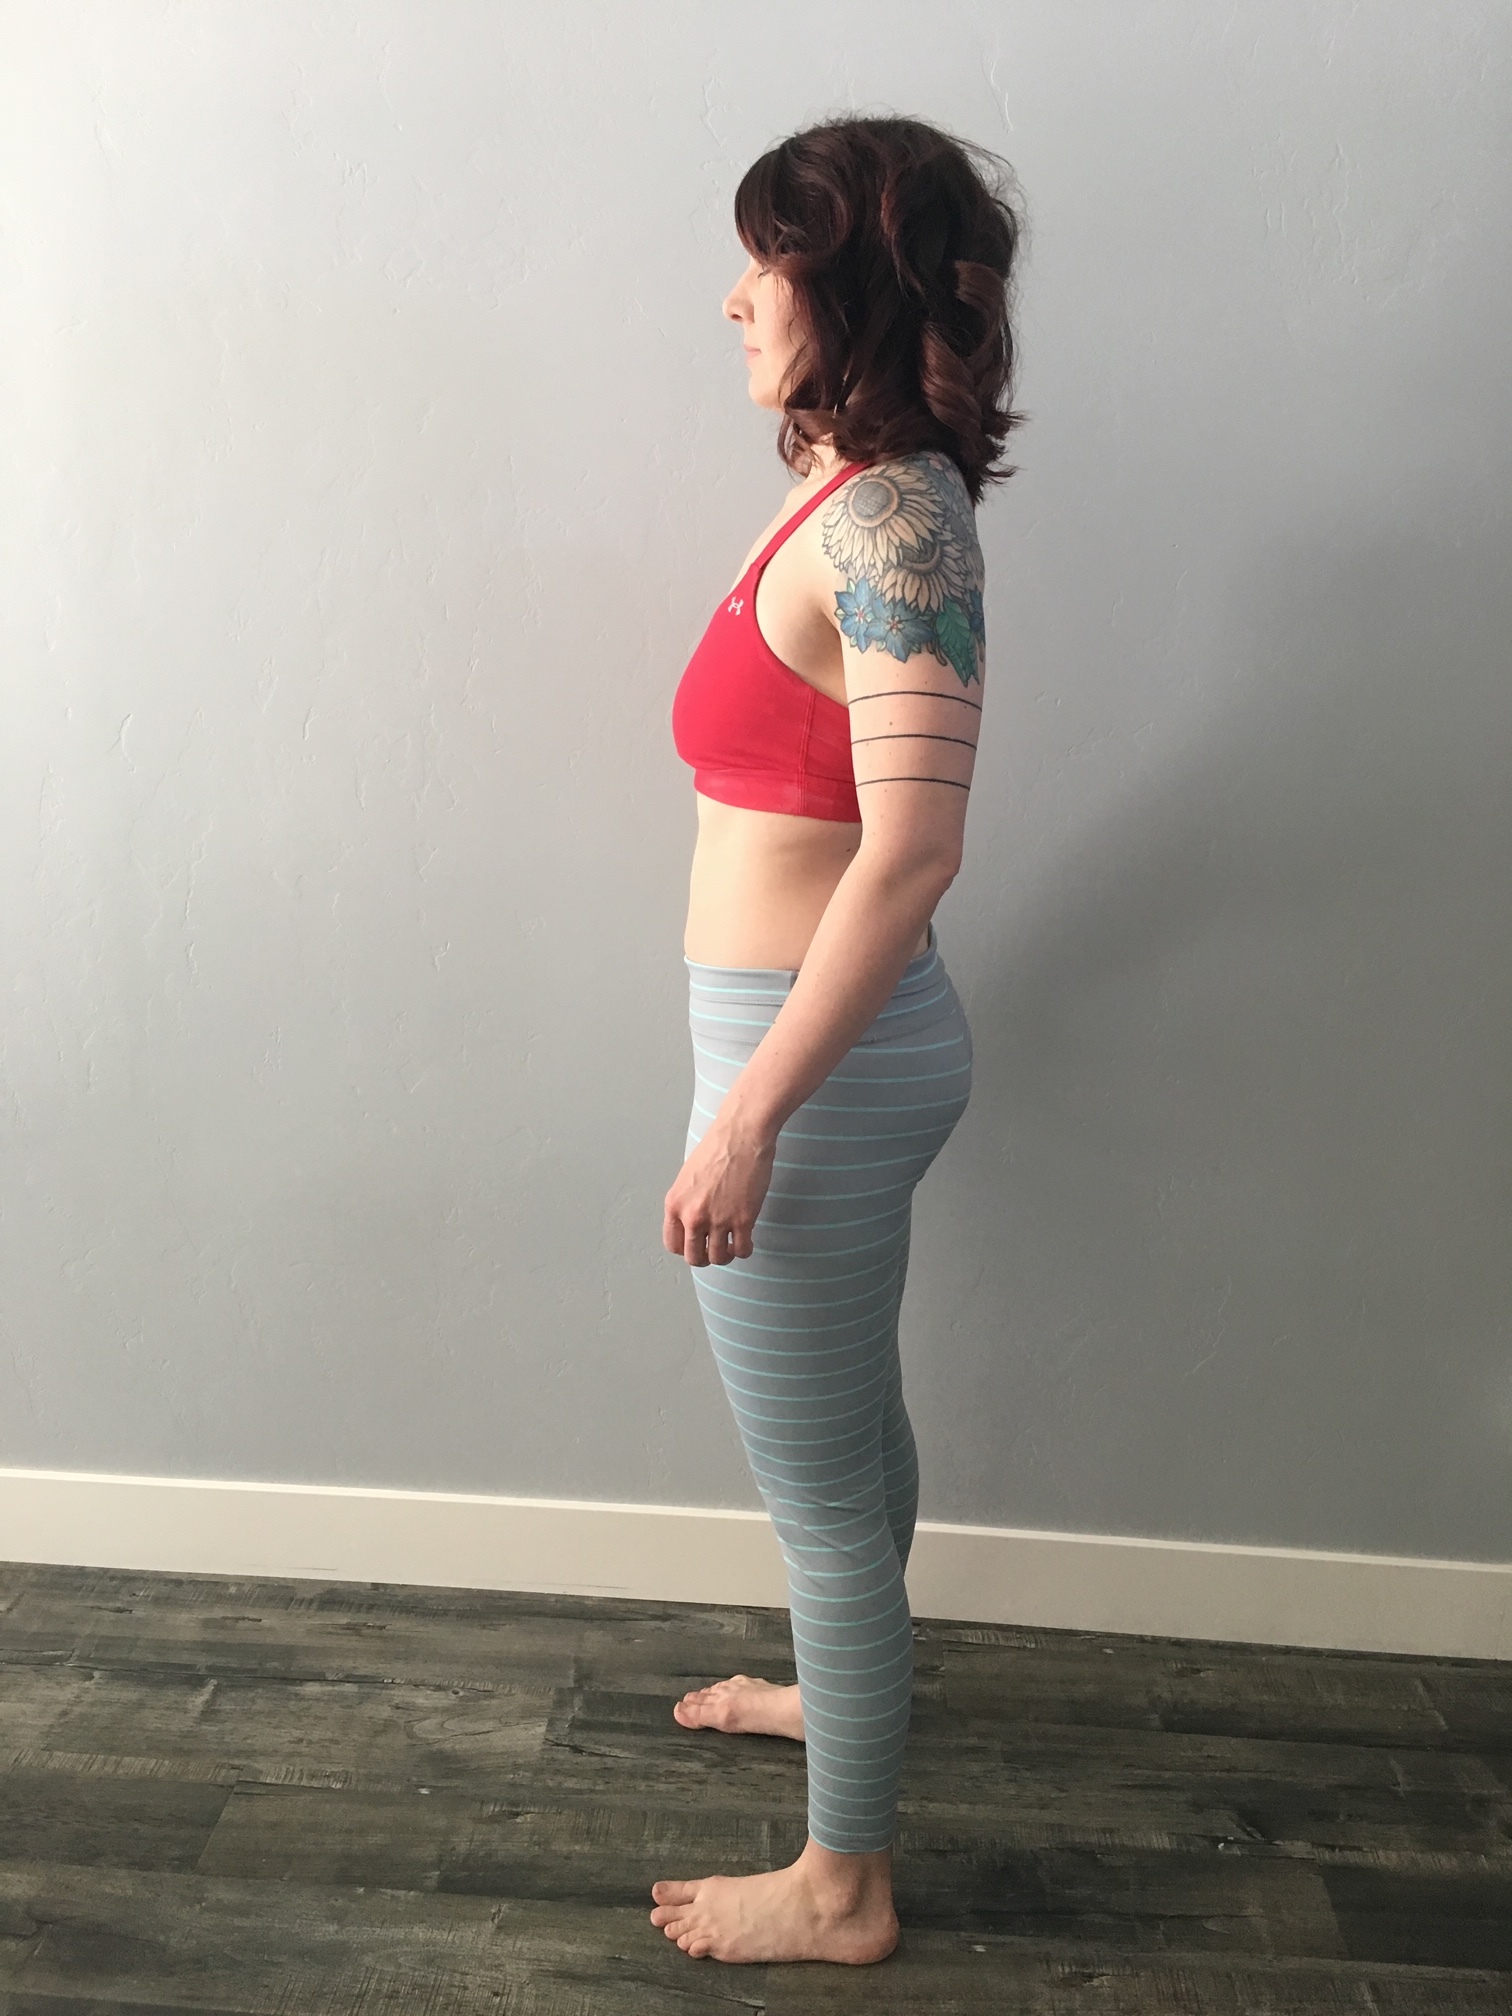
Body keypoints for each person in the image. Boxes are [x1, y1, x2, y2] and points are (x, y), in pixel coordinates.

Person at [652, 112, 1025, 1966]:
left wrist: (747, 1120)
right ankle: (843, 1685)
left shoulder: (890, 519)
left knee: (815, 1497)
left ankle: (844, 1886)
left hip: (811, 1067)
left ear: (853, 285)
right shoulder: (848, 487)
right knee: (855, 1443)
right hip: (818, 1052)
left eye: (769, 262)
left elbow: (916, 852)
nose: (736, 298)